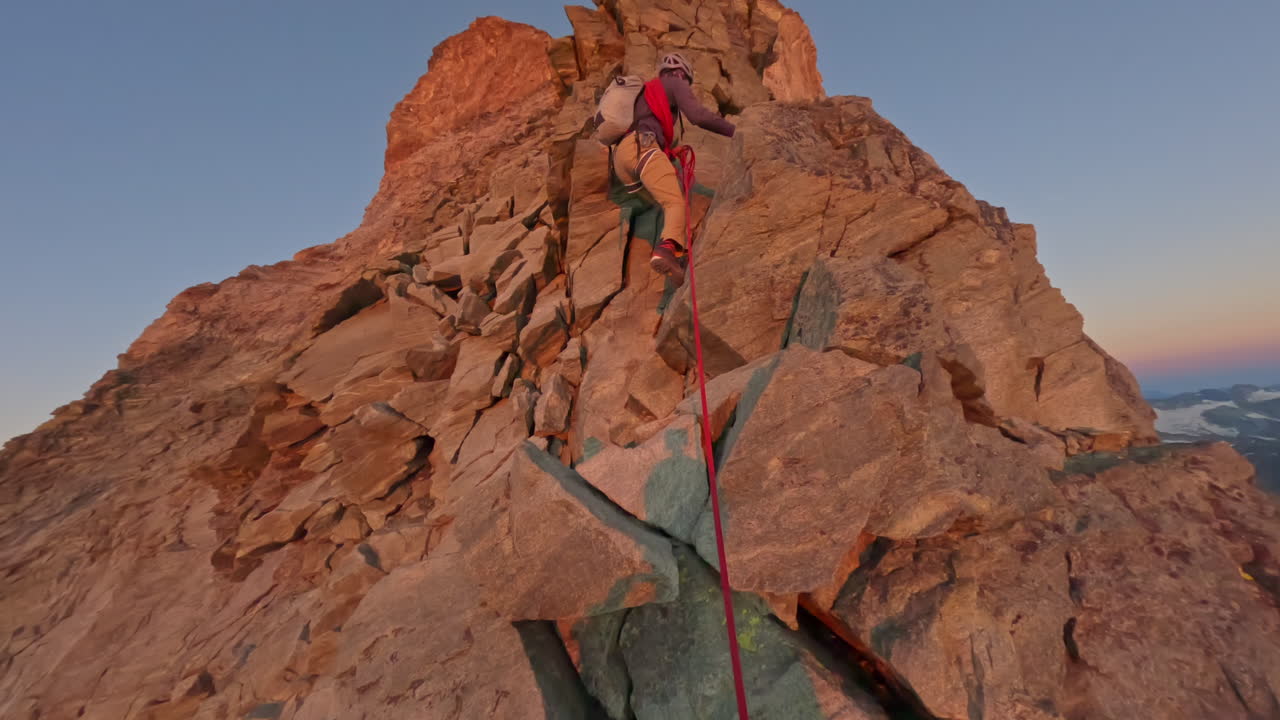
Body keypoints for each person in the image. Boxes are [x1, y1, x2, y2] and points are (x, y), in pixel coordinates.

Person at [612, 53, 736, 281]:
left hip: (623, 159)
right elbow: (698, 116)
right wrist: (735, 131)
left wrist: (668, 152)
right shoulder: (675, 82)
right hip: (642, 148)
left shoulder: (649, 92)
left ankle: (676, 256)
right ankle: (666, 250)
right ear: (682, 74)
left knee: (663, 199)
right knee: (674, 201)